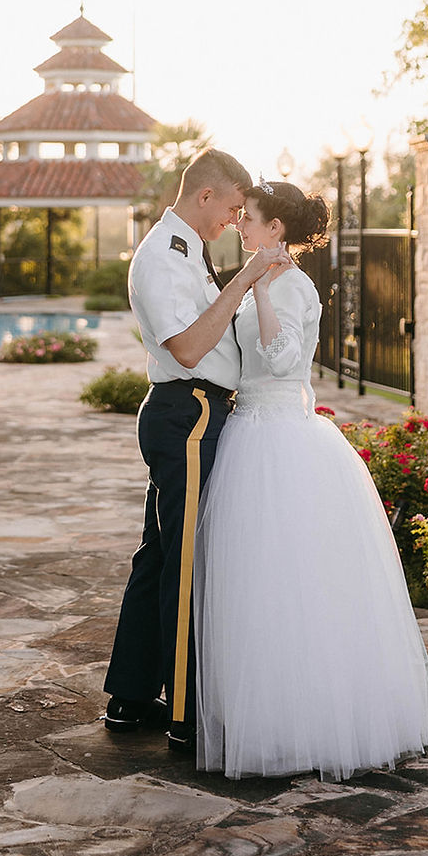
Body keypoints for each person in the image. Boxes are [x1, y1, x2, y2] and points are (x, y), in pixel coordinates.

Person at [194, 180, 428, 780]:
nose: (240, 225)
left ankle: (311, 719)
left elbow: (283, 359)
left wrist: (255, 289)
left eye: (249, 218)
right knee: (254, 581)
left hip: (284, 436)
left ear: (275, 228)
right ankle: (261, 713)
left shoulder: (297, 286)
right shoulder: (258, 273)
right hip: (246, 431)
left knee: (299, 580)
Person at [103, 149, 286, 753]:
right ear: (205, 195)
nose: (236, 219)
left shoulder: (186, 249)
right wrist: (245, 279)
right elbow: (185, 347)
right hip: (187, 410)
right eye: (233, 207)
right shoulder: (163, 254)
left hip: (195, 411)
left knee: (158, 556)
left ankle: (131, 698)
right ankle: (185, 710)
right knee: (184, 562)